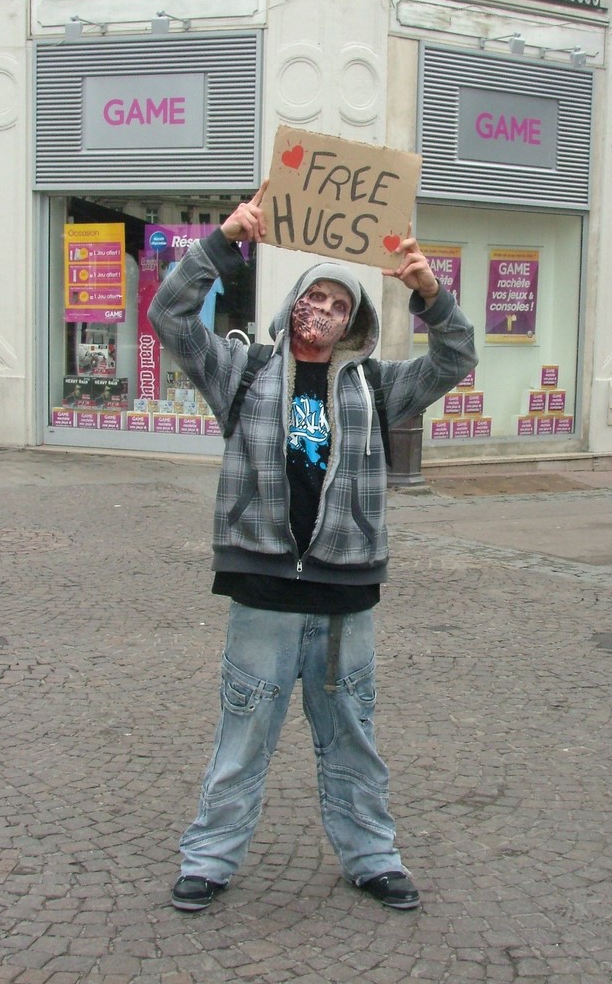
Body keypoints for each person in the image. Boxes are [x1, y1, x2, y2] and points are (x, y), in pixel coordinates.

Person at [149, 182, 477, 913]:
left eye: (338, 304)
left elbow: (456, 357)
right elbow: (169, 314)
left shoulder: (376, 387)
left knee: (352, 736)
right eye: (313, 296)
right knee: (243, 734)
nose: (322, 310)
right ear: (292, 303)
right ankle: (209, 859)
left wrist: (429, 294)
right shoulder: (242, 372)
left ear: (353, 323)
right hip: (262, 590)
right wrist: (225, 241)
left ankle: (373, 857)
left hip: (343, 596)